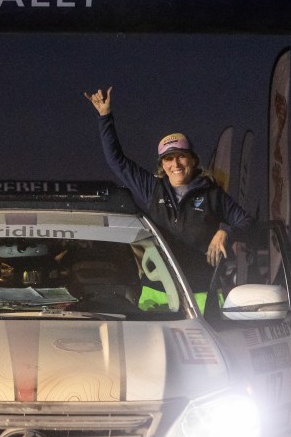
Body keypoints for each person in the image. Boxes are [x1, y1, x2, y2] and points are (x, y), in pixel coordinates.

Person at [84, 86, 254, 300]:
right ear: (162, 165)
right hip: (156, 293)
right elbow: (117, 162)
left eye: (181, 156)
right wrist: (104, 117)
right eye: (168, 158)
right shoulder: (152, 188)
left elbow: (249, 223)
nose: (176, 164)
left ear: (193, 159)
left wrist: (226, 231)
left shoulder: (213, 195)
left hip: (202, 294)